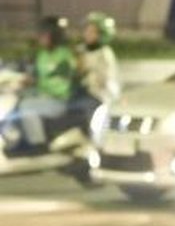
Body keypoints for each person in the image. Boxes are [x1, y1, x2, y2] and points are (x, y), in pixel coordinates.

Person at [2, 15, 76, 154]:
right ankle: (20, 137)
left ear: (55, 36)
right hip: (44, 95)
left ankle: (38, 144)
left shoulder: (65, 56)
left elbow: (58, 84)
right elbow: (37, 73)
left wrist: (36, 83)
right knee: (17, 99)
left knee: (27, 106)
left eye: (44, 34)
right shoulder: (44, 54)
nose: (40, 37)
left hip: (58, 101)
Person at [74, 11, 121, 115]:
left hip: (99, 96)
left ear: (102, 34)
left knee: (78, 110)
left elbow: (107, 81)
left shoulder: (104, 54)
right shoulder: (81, 50)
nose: (87, 34)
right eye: (86, 30)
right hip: (82, 93)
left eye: (92, 32)